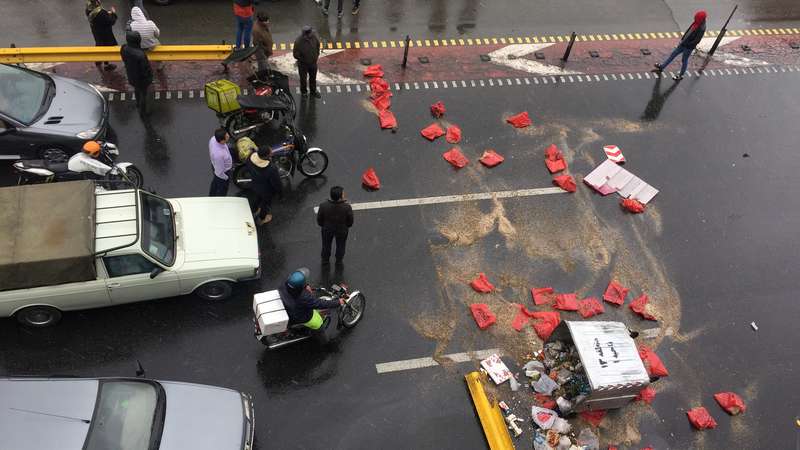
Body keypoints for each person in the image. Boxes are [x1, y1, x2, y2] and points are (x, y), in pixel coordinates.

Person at [654, 10, 707, 81]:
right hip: (683, 43)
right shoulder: (696, 22)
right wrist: (682, 40)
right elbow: (688, 31)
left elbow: (696, 41)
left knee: (684, 60)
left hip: (688, 47)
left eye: (696, 18)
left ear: (700, 19)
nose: (694, 19)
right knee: (672, 55)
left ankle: (681, 75)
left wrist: (686, 44)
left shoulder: (701, 28)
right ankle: (662, 67)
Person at [316, 186, 354, 264]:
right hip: (341, 230)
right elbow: (350, 221)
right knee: (341, 245)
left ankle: (325, 260)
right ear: (340, 197)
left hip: (327, 229)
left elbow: (319, 220)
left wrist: (323, 225)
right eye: (343, 194)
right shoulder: (346, 207)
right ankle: (339, 260)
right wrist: (346, 226)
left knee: (326, 245)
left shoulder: (323, 205)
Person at [120, 30, 153, 116]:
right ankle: (143, 111)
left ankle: (138, 104)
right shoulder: (141, 54)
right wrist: (149, 77)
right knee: (143, 94)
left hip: (131, 75)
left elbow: (124, 59)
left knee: (137, 90)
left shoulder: (124, 48)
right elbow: (145, 69)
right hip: (142, 79)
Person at [246, 146, 282, 225]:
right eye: (270, 153)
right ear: (266, 156)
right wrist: (280, 192)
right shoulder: (271, 168)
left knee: (257, 198)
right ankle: (263, 218)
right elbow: (276, 183)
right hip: (266, 190)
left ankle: (254, 210)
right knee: (265, 204)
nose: (272, 152)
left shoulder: (250, 158)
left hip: (255, 185)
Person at [85, 0, 117, 71]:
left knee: (99, 44)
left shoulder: (88, 8)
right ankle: (106, 65)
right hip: (105, 33)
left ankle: (98, 60)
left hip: (96, 31)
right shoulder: (101, 13)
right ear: (96, 2)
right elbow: (111, 21)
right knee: (105, 47)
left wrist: (107, 14)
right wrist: (113, 13)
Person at [293, 26, 321, 98]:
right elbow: (295, 54)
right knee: (303, 79)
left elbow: (318, 46)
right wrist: (302, 59)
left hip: (313, 63)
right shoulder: (298, 41)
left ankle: (313, 91)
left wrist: (316, 56)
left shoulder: (314, 37)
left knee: (313, 78)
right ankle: (304, 92)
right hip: (303, 64)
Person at [209, 128, 232, 196]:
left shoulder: (213, 139)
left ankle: (211, 196)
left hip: (216, 165)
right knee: (222, 189)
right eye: (226, 136)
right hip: (222, 172)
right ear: (222, 141)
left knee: (215, 184)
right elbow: (219, 172)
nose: (228, 135)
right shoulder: (219, 155)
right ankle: (220, 202)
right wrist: (226, 177)